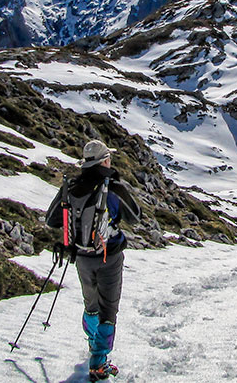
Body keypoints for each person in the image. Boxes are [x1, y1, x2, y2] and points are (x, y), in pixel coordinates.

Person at [46, 140, 140, 382]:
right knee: (109, 308)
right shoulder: (113, 187)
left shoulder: (71, 187)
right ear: (105, 161)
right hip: (110, 256)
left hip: (81, 255)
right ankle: (99, 362)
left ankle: (92, 342)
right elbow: (135, 217)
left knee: (91, 303)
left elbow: (51, 219)